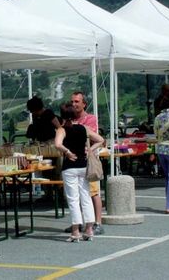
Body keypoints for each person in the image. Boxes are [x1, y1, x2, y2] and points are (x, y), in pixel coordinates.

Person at [55, 101, 105, 242]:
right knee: (86, 197)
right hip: (84, 165)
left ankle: (76, 230)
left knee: (73, 199)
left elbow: (57, 144)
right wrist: (89, 150)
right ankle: (89, 229)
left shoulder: (62, 129)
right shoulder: (84, 128)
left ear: (62, 115)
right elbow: (100, 140)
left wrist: (67, 152)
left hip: (69, 167)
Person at [71, 91, 104, 235]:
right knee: (77, 193)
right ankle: (77, 222)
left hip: (87, 160)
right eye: (72, 101)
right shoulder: (70, 119)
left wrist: (88, 150)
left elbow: (97, 138)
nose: (74, 104)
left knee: (93, 191)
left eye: (77, 101)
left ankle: (98, 222)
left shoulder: (90, 119)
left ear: (84, 103)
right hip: (74, 159)